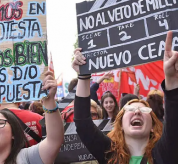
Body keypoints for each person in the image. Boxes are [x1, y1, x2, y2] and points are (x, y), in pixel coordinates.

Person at [71, 31, 178, 164]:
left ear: (152, 126)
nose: (137, 111)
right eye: (131, 110)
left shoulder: (164, 154)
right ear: (121, 124)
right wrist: (83, 75)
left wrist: (172, 79)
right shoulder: (109, 154)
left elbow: (174, 122)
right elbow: (82, 123)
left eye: (145, 111)